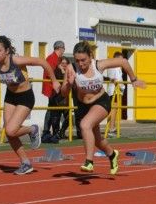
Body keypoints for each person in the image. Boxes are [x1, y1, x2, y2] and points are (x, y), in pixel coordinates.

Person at [61, 41, 145, 174]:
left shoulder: (98, 65)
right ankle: (112, 154)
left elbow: (123, 61)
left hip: (101, 101)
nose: (81, 64)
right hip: (83, 105)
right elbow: (63, 93)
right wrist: (69, 84)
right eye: (77, 60)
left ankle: (89, 161)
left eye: (83, 60)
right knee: (97, 140)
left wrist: (134, 80)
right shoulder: (71, 68)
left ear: (91, 56)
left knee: (85, 125)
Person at [0, 36, 60, 175]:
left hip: (25, 97)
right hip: (10, 97)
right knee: (9, 133)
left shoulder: (16, 60)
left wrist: (54, 81)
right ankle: (26, 163)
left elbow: (42, 62)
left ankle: (32, 129)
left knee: (11, 130)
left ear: (6, 51)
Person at [41, 40, 65, 143]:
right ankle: (47, 132)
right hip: (51, 88)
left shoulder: (56, 58)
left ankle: (53, 132)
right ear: (60, 48)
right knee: (52, 110)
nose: (64, 51)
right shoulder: (52, 58)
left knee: (54, 110)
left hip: (54, 88)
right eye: (63, 48)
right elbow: (50, 73)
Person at [51, 56, 70, 141]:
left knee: (68, 117)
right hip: (57, 98)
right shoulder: (56, 71)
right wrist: (62, 71)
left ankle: (62, 132)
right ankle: (56, 134)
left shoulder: (69, 72)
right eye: (62, 63)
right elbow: (60, 81)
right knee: (56, 118)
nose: (64, 65)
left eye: (66, 64)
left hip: (66, 98)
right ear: (59, 64)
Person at [107, 51, 125, 136]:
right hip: (115, 90)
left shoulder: (114, 67)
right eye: (120, 59)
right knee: (114, 110)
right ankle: (111, 129)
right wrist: (122, 87)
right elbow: (116, 79)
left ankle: (112, 127)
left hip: (115, 90)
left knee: (114, 110)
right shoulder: (114, 67)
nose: (122, 61)